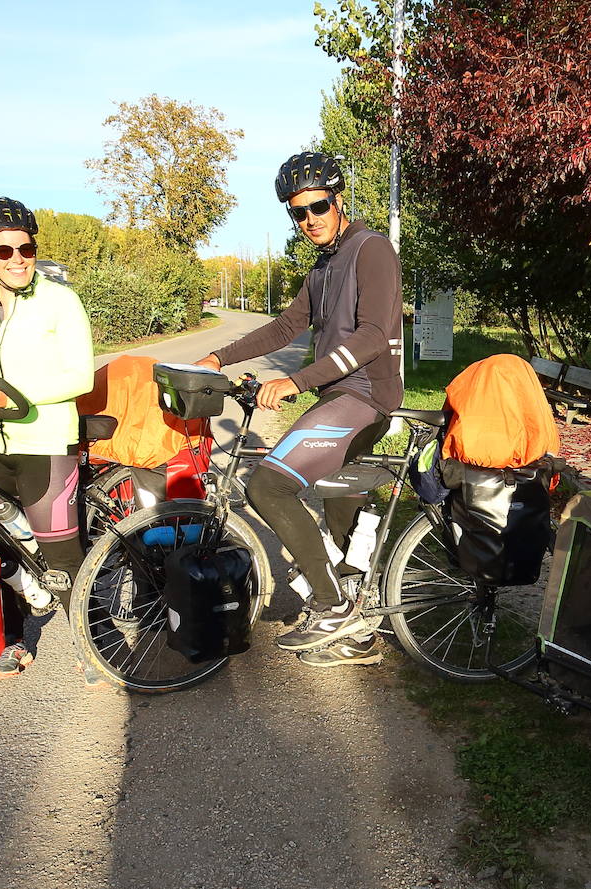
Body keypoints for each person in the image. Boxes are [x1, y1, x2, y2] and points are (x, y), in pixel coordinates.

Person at [195, 151, 403, 668]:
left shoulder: (370, 250)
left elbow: (376, 335)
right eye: (298, 213)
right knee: (338, 509)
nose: (309, 219)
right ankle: (357, 628)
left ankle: (332, 606)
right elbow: (286, 327)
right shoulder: (323, 265)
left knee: (268, 485)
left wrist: (295, 380)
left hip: (365, 395)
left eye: (318, 207)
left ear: (339, 199)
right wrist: (218, 356)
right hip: (339, 395)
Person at [0, 196, 95, 682]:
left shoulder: (61, 300)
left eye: (26, 249)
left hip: (45, 441)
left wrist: (12, 397)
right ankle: (12, 642)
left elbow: (80, 376)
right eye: (4, 250)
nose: (17, 259)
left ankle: (96, 643)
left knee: (61, 553)